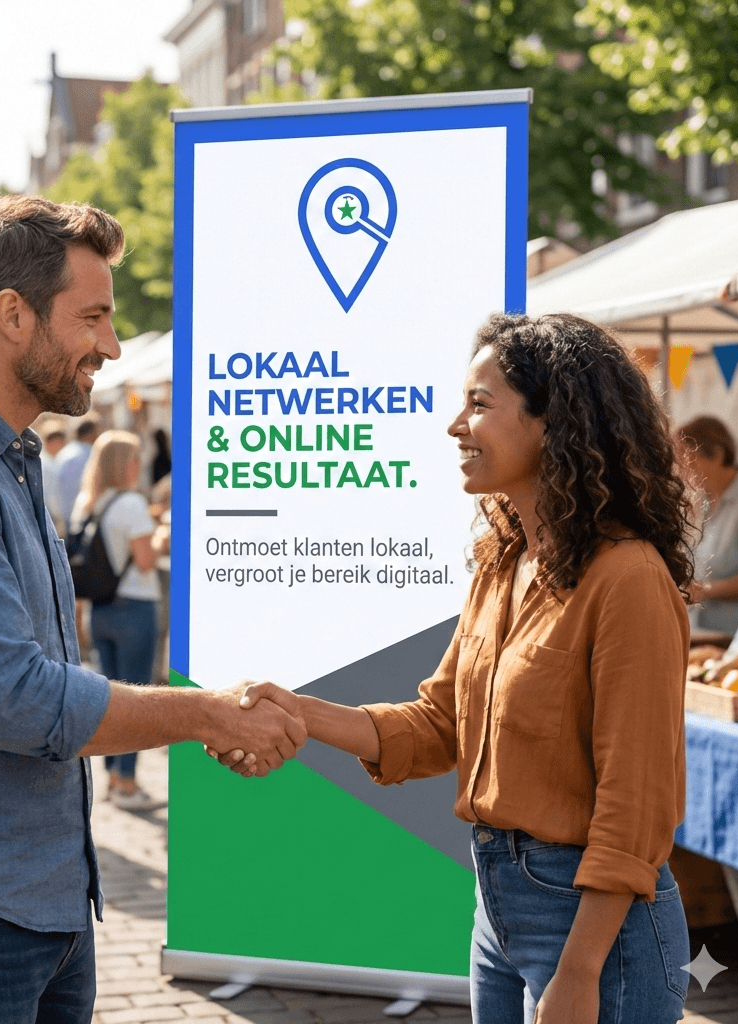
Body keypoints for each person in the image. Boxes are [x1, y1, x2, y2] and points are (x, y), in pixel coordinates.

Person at [0, 193, 305, 1023]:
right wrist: (206, 714)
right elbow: (18, 700)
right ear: (12, 314)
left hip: (36, 899)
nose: (111, 346)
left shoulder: (7, 459)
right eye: (92, 317)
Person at [216, 313, 695, 1024]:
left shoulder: (628, 578)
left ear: (553, 422)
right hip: (496, 908)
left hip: (595, 929)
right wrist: (296, 710)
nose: (454, 426)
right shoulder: (502, 563)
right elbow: (439, 726)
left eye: (479, 404)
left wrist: (580, 970)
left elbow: (637, 801)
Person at [72, 430, 165, 810]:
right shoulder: (131, 503)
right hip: (135, 607)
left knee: (109, 701)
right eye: (136, 459)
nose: (140, 466)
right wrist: (161, 535)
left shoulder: (88, 502)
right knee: (138, 700)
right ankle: (127, 783)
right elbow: (145, 560)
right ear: (124, 464)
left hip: (101, 609)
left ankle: (112, 778)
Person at [678, 415, 738, 634]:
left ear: (716, 454)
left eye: (691, 461)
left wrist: (704, 591)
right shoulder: (703, 501)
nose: (686, 470)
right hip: (704, 632)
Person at [57, 413, 102, 524]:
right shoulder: (89, 455)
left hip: (66, 515)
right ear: (92, 433)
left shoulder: (65, 452)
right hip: (83, 517)